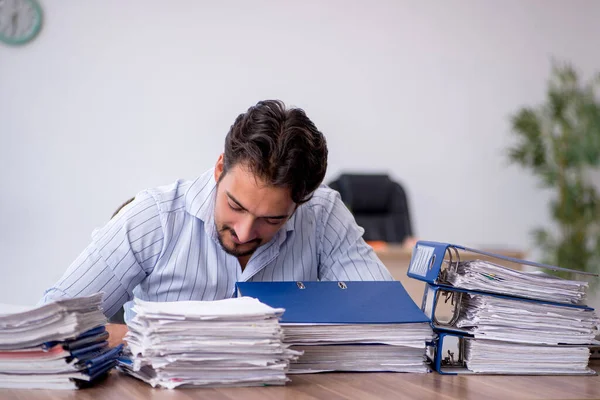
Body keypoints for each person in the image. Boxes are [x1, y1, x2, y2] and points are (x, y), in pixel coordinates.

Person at [40, 100, 395, 332]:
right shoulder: (154, 218)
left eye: (272, 219)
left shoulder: (323, 214)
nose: (243, 232)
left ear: (301, 201)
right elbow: (53, 321)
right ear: (220, 168)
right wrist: (143, 341)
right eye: (236, 206)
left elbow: (387, 322)